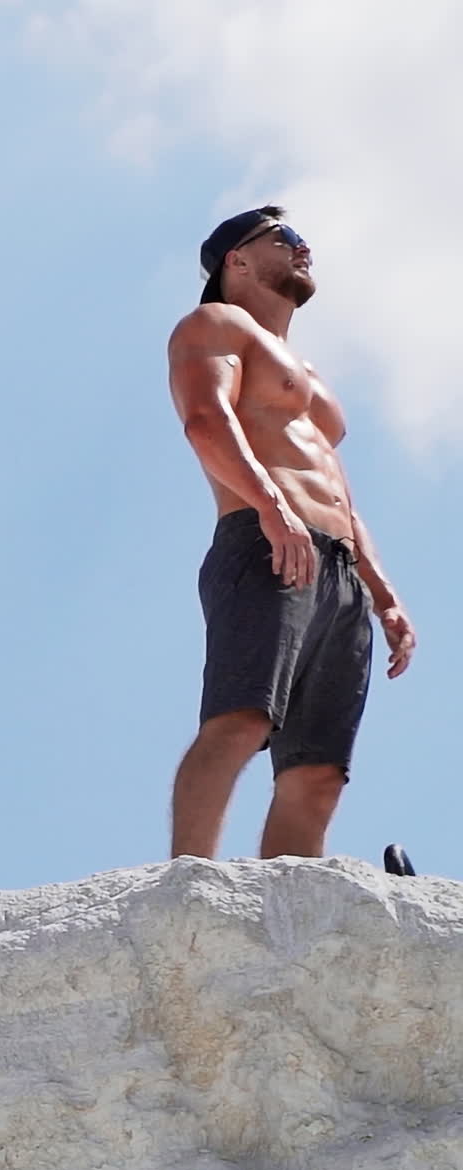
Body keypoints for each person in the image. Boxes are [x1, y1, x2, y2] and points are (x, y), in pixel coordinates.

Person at [167, 205, 415, 861]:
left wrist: (382, 592)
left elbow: (339, 487)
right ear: (236, 261)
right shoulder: (214, 325)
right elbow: (204, 419)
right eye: (286, 238)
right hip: (265, 537)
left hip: (337, 570)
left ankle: (290, 919)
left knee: (318, 773)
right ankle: (188, 888)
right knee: (241, 719)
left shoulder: (315, 382)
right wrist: (272, 506)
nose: (304, 247)